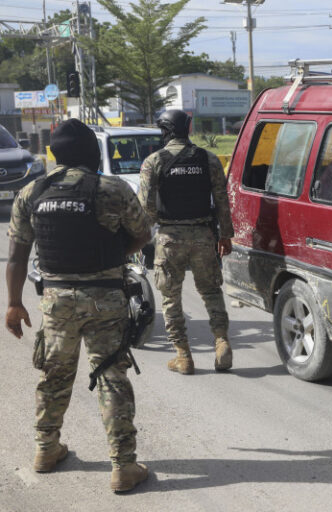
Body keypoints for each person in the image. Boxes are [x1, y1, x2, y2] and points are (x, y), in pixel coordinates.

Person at [5, 119, 152, 491]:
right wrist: (114, 256)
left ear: (53, 153)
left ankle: (45, 449)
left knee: (54, 376)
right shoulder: (112, 189)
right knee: (111, 376)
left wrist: (13, 304)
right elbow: (142, 235)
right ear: (90, 151)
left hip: (56, 301)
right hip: (106, 298)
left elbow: (17, 257)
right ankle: (123, 466)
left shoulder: (32, 192)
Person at [139, 110, 234, 375]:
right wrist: (225, 235)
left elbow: (145, 208)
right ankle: (221, 342)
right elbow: (223, 201)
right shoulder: (209, 159)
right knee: (211, 291)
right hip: (205, 236)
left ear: (165, 130)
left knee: (171, 298)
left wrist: (139, 238)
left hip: (169, 238)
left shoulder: (153, 161)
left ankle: (183, 356)